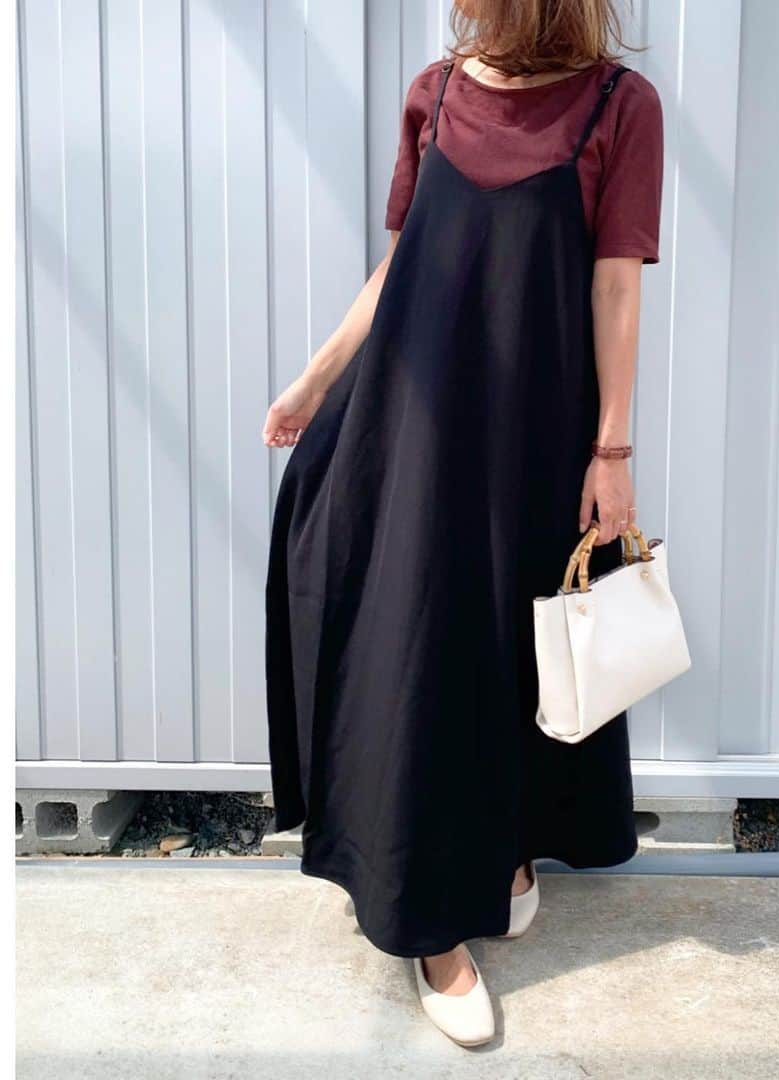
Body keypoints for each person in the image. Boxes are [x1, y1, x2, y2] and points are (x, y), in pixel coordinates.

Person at [262, 0, 663, 1048]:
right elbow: (402, 268)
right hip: (417, 429)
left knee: (517, 652)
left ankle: (506, 851)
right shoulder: (434, 95)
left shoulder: (620, 107)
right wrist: (315, 381)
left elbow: (615, 287)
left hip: (537, 435)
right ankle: (430, 926)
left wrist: (611, 453)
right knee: (424, 655)